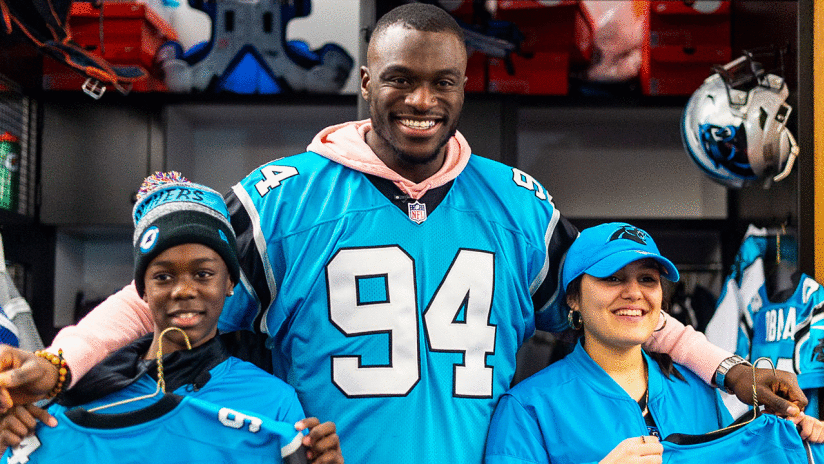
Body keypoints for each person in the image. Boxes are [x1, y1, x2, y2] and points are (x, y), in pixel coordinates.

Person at [0, 4, 812, 464]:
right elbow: (159, 297)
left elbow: (622, 305)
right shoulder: (284, 197)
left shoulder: (516, 203)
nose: (421, 99)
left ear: (464, 86)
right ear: (365, 82)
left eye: (441, 82)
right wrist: (60, 359)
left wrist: (730, 369)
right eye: (399, 79)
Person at [0, 172, 342, 463]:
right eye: (163, 277)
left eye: (203, 274)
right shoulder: (70, 399)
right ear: (142, 291)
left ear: (231, 284)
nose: (183, 290)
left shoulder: (272, 401)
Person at [484, 223, 821, 464]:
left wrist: (796, 441)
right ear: (574, 297)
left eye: (647, 278)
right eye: (611, 277)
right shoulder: (527, 409)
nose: (634, 292)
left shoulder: (695, 389)